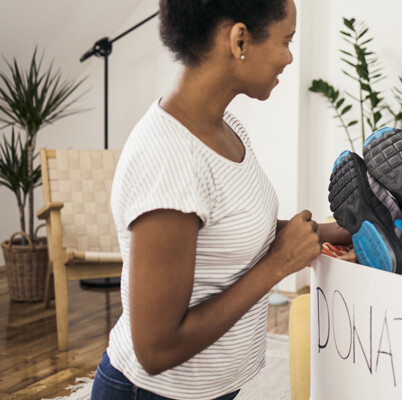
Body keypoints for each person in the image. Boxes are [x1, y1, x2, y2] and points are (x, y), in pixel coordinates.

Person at [91, 1, 349, 399]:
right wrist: (278, 264)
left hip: (214, 389)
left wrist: (337, 230)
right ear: (239, 39)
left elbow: (230, 232)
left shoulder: (227, 129)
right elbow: (156, 349)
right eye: (286, 40)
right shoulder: (169, 160)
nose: (288, 57)